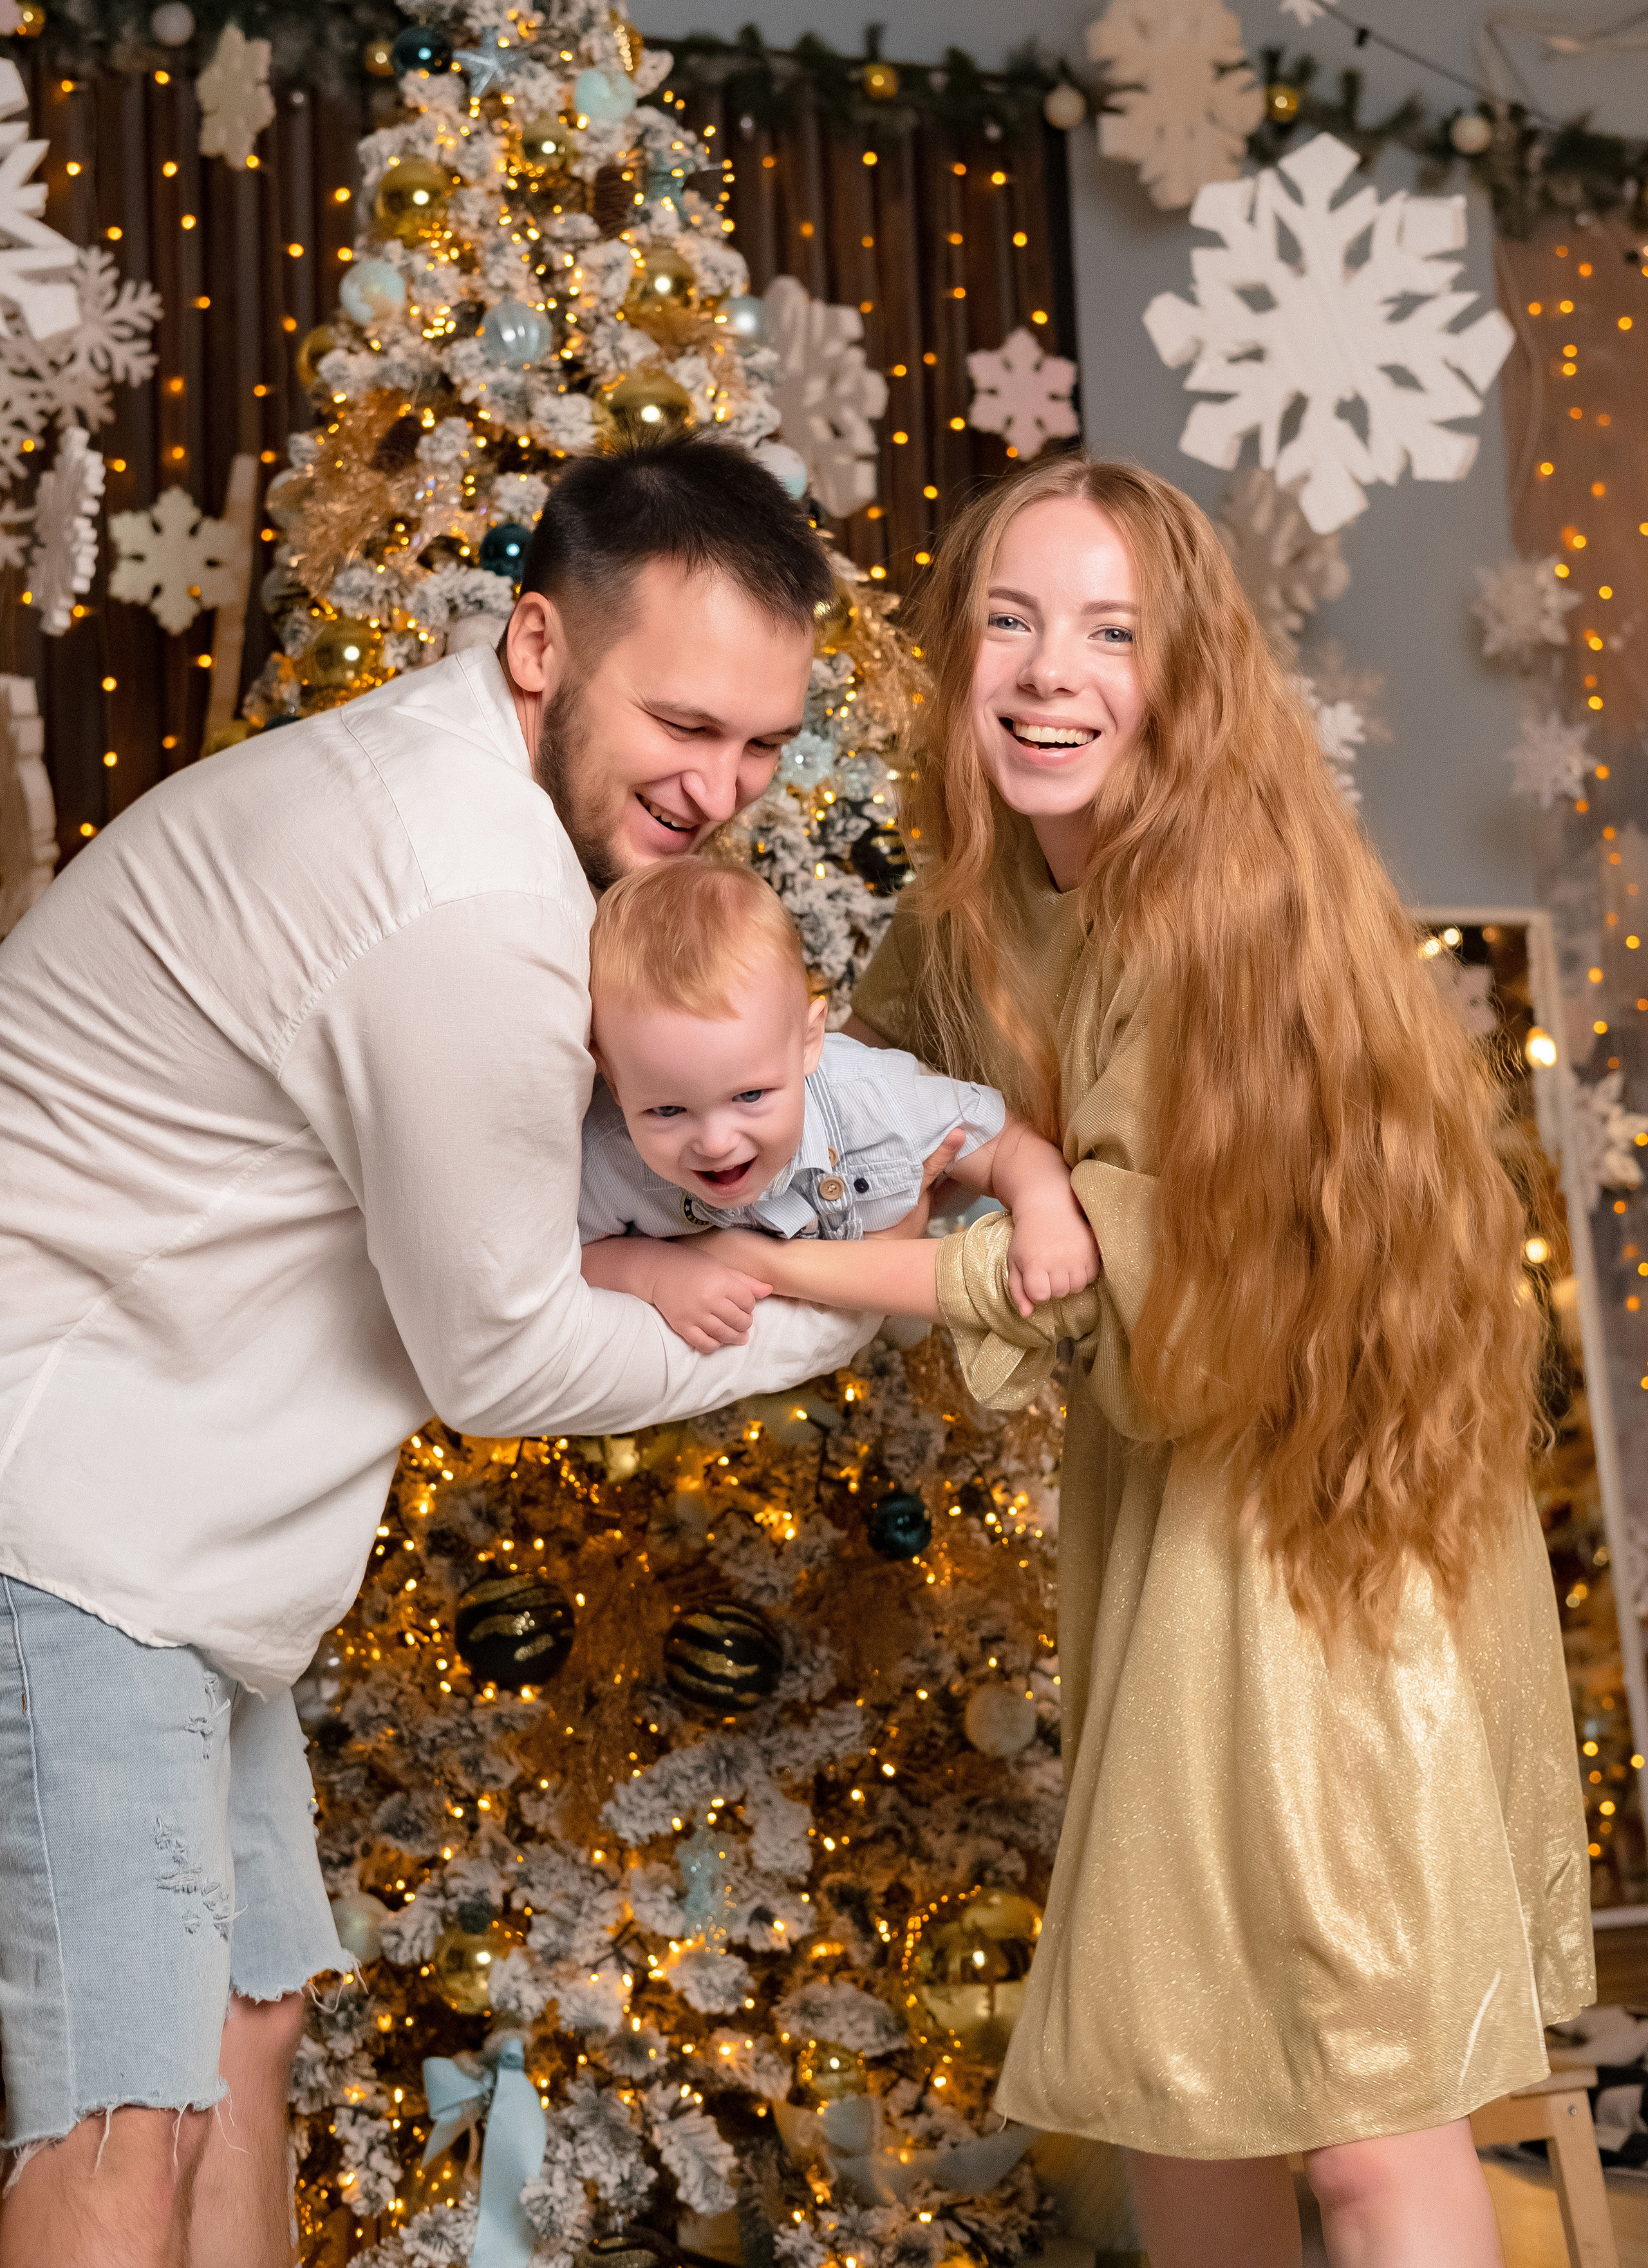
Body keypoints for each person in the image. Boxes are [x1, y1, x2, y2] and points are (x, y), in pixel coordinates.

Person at [0, 440, 913, 2268]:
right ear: (538, 642)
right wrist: (843, 1297)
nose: (719, 788)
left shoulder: (448, 790)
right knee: (127, 2114)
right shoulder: (475, 899)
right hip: (69, 1533)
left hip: (177, 1540)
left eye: (762, 744)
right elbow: (503, 1357)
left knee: (244, 2034)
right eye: (683, 722)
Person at [696, 457, 1594, 2268]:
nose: (1052, 671)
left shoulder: (1226, 902)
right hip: (1167, 1529)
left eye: (1112, 632)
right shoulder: (964, 921)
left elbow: (1099, 1273)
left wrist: (769, 1260)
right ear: (954, 655)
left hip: (1332, 1533)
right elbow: (853, 1120)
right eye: (1010, 621)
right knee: (1185, 2097)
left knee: (1365, 2125)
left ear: (1184, 676)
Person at [576, 856, 1098, 1353]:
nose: (715, 1143)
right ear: (614, 1082)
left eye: (750, 1096)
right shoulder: (606, 1158)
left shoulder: (872, 1096)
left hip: (890, 1273)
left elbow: (1005, 1143)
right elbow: (564, 1257)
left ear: (809, 1043)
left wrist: (1046, 1208)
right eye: (668, 1111)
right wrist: (653, 1273)